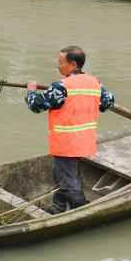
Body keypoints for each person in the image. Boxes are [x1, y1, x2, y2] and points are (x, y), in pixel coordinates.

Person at [26, 46, 114, 214]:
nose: (58, 66)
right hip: (85, 141)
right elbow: (107, 103)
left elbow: (36, 105)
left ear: (73, 64)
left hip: (66, 143)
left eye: (61, 63)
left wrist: (31, 91)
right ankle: (58, 207)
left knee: (68, 181)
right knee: (62, 175)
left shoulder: (61, 87)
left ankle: (80, 210)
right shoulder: (96, 83)